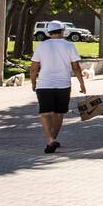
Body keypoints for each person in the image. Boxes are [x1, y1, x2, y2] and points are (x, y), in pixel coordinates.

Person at [29, 20, 86, 154]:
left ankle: (50, 140)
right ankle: (52, 139)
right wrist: (82, 83)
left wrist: (33, 82)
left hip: (44, 84)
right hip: (63, 85)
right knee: (58, 113)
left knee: (45, 113)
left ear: (49, 32)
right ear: (62, 31)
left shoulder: (41, 46)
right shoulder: (69, 45)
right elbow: (76, 67)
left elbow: (33, 68)